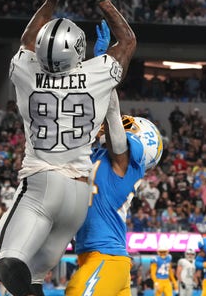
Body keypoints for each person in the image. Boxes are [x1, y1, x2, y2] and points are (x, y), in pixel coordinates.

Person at [0, 0, 138, 293]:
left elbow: (26, 41)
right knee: (33, 279)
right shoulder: (97, 72)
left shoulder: (26, 70)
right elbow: (126, 41)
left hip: (41, 182)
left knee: (7, 263)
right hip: (78, 195)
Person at [65, 115, 163, 296]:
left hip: (106, 257)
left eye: (126, 126)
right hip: (95, 258)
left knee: (77, 292)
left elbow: (117, 140)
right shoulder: (97, 158)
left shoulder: (128, 166)